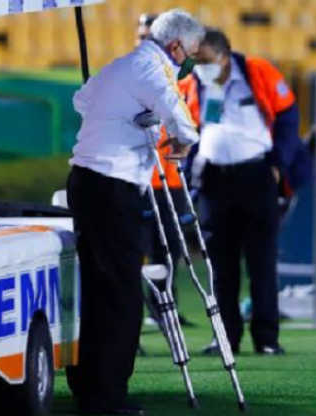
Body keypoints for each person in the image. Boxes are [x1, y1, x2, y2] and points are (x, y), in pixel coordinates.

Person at [67, 9, 204, 415]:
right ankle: (106, 399)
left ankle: (89, 387)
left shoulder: (122, 65)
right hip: (112, 186)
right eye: (192, 50)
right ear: (176, 45)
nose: (192, 58)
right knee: (122, 296)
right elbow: (180, 118)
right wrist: (184, 139)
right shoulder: (151, 69)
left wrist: (127, 119)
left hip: (89, 181)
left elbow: (81, 100)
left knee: (98, 290)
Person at [179, 28, 313, 356]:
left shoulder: (258, 72)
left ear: (224, 55)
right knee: (219, 267)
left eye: (205, 60)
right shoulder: (193, 83)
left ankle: (266, 338)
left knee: (261, 262)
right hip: (214, 182)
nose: (200, 65)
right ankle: (225, 338)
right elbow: (186, 128)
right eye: (196, 60)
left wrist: (278, 162)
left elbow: (287, 116)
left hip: (256, 176)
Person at [137, 12, 194, 329]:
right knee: (138, 247)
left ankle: (166, 308)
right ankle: (143, 308)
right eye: (141, 36)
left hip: (170, 180)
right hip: (139, 180)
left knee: (170, 248)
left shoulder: (179, 79)